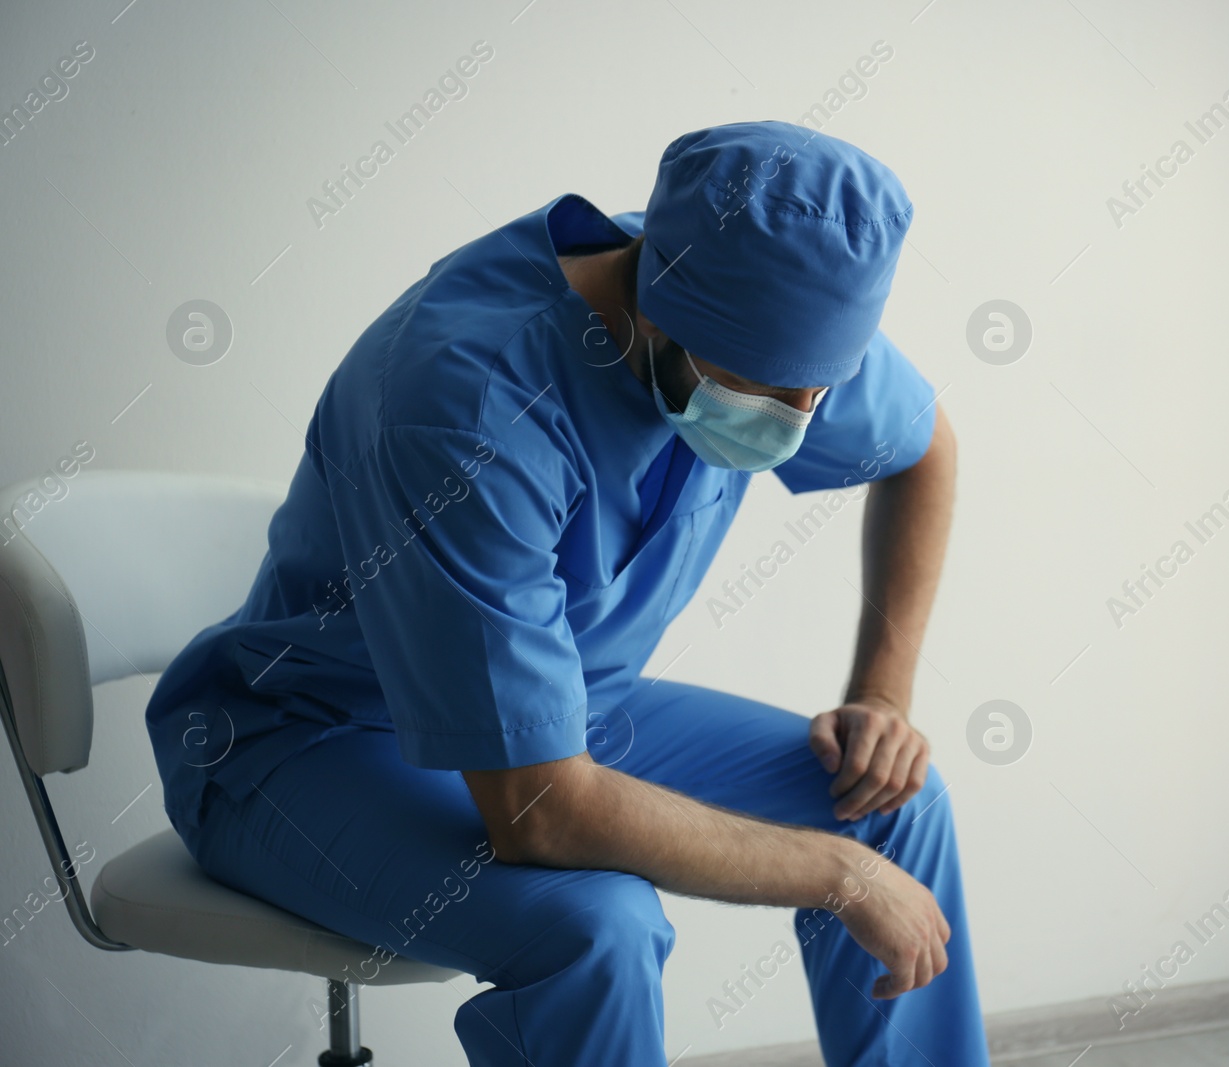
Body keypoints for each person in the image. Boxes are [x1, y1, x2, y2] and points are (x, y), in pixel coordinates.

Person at [145, 119, 989, 1066]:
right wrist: (836, 875)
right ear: (659, 314)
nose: (798, 424)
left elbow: (923, 446)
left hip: (567, 714)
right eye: (763, 391)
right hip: (302, 742)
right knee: (599, 924)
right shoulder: (467, 406)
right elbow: (539, 809)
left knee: (888, 801)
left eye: (818, 393)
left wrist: (882, 691)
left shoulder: (765, 306)